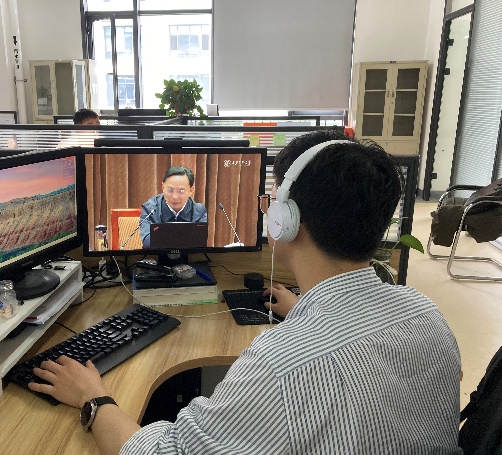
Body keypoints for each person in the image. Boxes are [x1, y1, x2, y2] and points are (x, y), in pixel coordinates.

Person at [29, 131, 462, 454]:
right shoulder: (427, 315)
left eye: (271, 201)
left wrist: (92, 397)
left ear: (285, 221)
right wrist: (304, 312)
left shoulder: (281, 365)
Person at [138, 166, 207, 248]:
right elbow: (148, 242)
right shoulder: (150, 209)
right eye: (170, 190)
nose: (174, 197)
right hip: (157, 255)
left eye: (181, 191)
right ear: (163, 187)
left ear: (191, 190)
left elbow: (199, 243)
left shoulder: (199, 212)